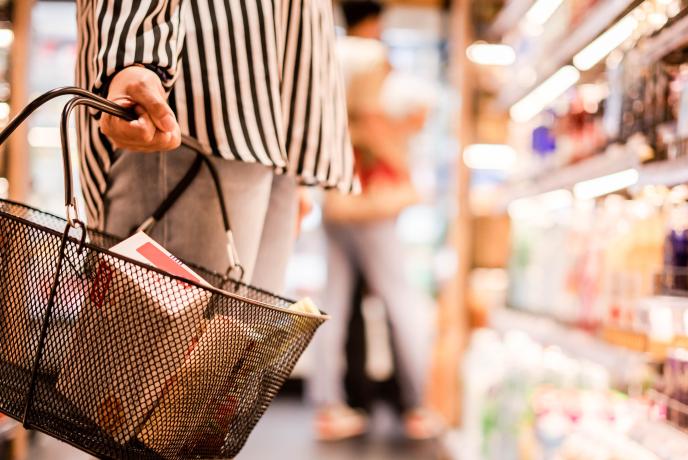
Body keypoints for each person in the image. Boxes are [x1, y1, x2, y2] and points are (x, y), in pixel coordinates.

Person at [74, 0, 353, 293]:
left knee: (240, 334)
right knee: (165, 334)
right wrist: (135, 55)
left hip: (277, 107)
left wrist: (295, 167)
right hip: (191, 94)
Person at [309, 0, 440, 441]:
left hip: (334, 196)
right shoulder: (376, 61)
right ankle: (418, 405)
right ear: (376, 21)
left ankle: (328, 405)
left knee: (334, 303)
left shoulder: (326, 56)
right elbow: (411, 117)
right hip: (372, 200)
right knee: (400, 300)